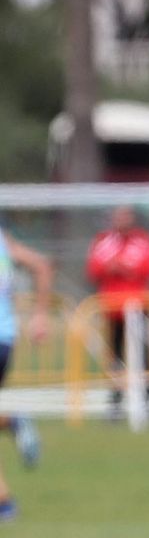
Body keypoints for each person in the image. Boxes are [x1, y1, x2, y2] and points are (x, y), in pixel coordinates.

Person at [0, 223, 53, 522]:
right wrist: (40, 316)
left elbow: (41, 266)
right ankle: (4, 504)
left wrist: (41, 316)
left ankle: (5, 502)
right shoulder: (4, 237)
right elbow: (41, 265)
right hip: (6, 338)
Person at [85, 205, 149, 418]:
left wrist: (122, 268)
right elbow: (94, 269)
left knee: (143, 355)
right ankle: (116, 400)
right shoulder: (103, 241)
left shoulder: (142, 240)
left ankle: (147, 399)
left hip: (138, 307)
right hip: (112, 309)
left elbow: (147, 268)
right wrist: (116, 267)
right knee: (115, 356)